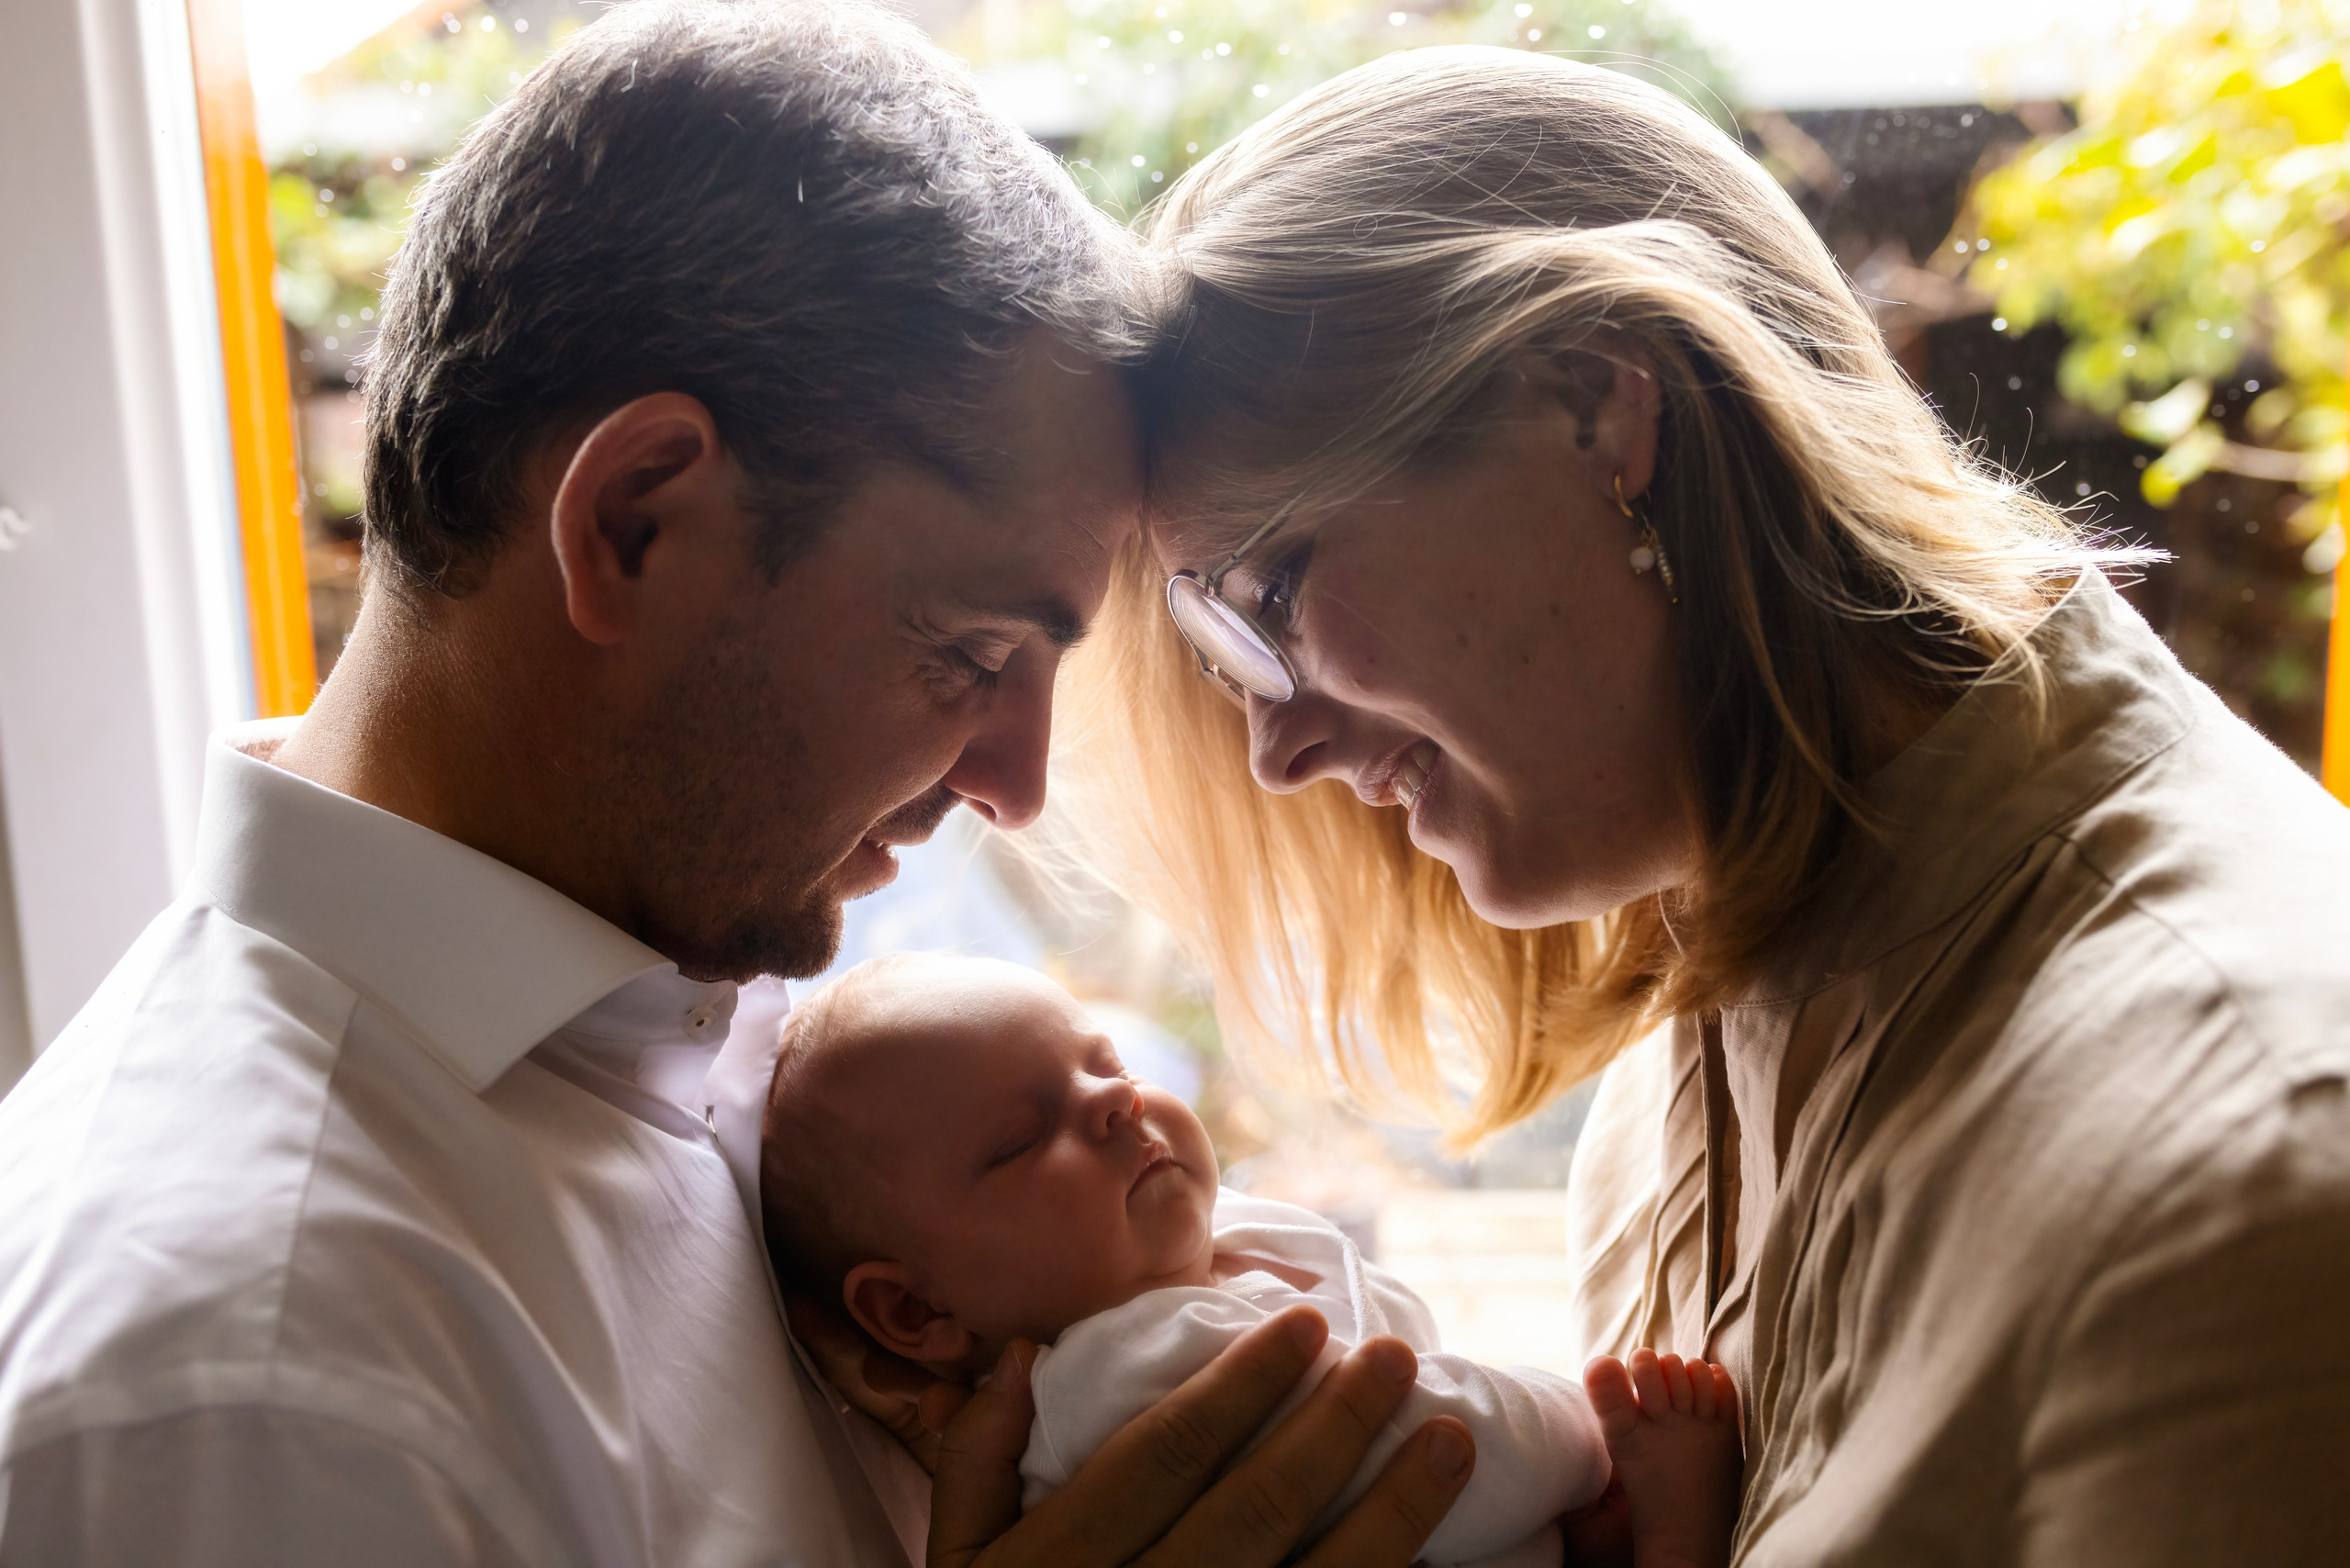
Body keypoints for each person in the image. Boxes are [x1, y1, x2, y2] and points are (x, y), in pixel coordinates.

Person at [0, 6, 1477, 1563]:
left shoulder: (702, 1005)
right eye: (970, 650)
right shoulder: (261, 1396)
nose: (1017, 781)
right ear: (636, 522)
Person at [1061, 44, 2350, 1567]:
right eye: (1222, 645)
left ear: (1601, 415)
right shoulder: (1682, 1077)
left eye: (1271, 591)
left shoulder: (2250, 1174)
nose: (1272, 751)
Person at [758, 953, 1747, 1568]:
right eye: (1020, 1139)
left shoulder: (1195, 1259)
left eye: (1105, 1064)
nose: (1112, 1101)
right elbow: (1441, 1446)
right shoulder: (1116, 1375)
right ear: (915, 1313)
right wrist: (1579, 1436)